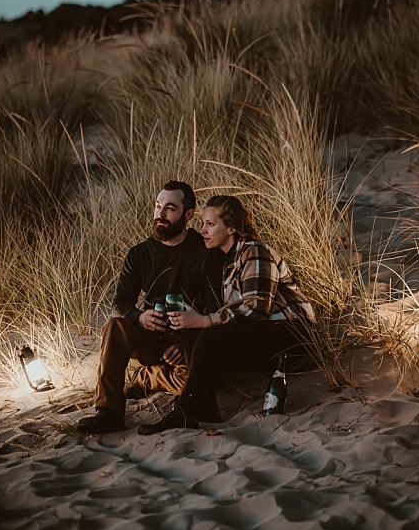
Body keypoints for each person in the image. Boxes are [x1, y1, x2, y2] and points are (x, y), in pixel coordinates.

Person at [138, 194, 316, 434]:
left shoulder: (253, 251)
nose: (202, 230)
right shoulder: (226, 263)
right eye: (202, 224)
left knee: (210, 334)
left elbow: (256, 307)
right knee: (195, 334)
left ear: (231, 227)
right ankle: (205, 407)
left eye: (210, 224)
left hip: (295, 335)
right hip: (264, 339)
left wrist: (205, 320)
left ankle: (185, 410)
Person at [76, 181, 223, 435]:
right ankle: (108, 411)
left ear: (188, 215)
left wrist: (186, 342)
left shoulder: (205, 251)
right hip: (148, 338)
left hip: (187, 342)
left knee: (197, 387)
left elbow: (213, 308)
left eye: (169, 208)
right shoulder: (139, 254)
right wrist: (139, 317)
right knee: (115, 326)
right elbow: (119, 303)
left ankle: (149, 378)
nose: (160, 215)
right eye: (157, 207)